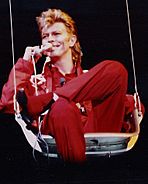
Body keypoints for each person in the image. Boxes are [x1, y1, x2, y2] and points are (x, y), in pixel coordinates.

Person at [0, 8, 138, 163]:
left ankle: (50, 98)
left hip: (97, 129)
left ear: (72, 40)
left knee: (117, 70)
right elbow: (8, 104)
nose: (50, 39)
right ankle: (77, 171)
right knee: (61, 106)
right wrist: (25, 63)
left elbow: (124, 104)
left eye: (56, 34)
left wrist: (131, 104)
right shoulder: (36, 83)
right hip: (60, 134)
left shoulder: (91, 77)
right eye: (46, 36)